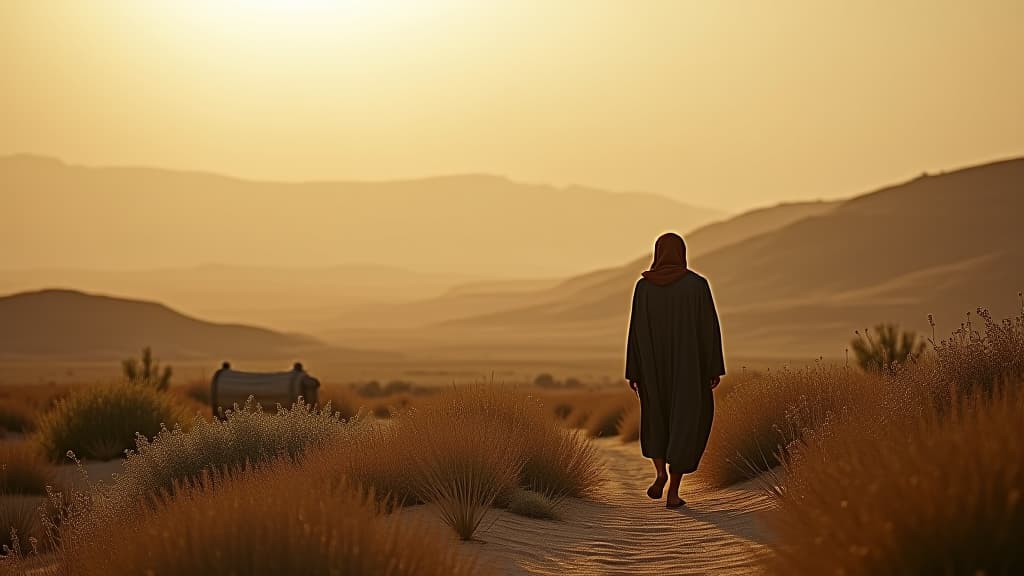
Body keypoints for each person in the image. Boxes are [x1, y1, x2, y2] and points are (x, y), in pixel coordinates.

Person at [625, 232, 725, 508]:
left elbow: (635, 332)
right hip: (688, 369)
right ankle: (674, 490)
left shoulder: (643, 288)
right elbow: (709, 330)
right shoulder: (697, 286)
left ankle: (659, 474)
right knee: (686, 422)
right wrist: (712, 368)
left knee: (656, 419)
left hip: (652, 369)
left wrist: (634, 371)